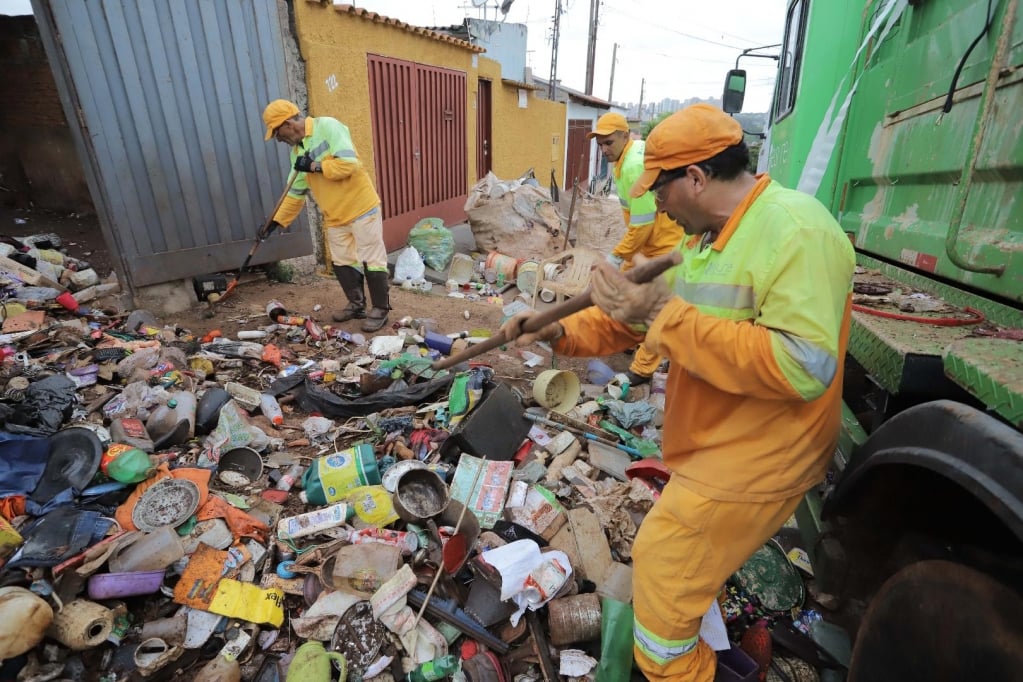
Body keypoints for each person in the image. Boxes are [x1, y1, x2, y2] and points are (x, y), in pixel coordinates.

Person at [503, 103, 856, 681]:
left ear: (695, 177)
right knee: (678, 569)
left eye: (659, 189)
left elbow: (801, 366)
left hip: (761, 454)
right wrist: (559, 331)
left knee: (663, 571)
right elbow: (636, 321)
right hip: (714, 447)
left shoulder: (796, 230)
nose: (655, 203)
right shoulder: (706, 241)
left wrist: (664, 314)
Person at [261, 99, 392, 332]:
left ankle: (380, 309)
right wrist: (276, 222)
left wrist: (314, 166)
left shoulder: (328, 127)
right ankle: (356, 304)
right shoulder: (297, 153)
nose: (278, 139)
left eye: (277, 132)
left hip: (361, 208)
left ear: (289, 123)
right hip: (335, 215)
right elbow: (295, 192)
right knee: (342, 261)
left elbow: (349, 165)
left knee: (372, 259)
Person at [588, 112, 684, 385]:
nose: (604, 149)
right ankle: (632, 337)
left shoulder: (631, 167)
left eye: (609, 143)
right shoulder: (628, 158)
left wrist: (616, 256)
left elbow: (643, 224)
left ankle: (641, 370)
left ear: (625, 136)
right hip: (652, 242)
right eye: (601, 144)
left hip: (662, 244)